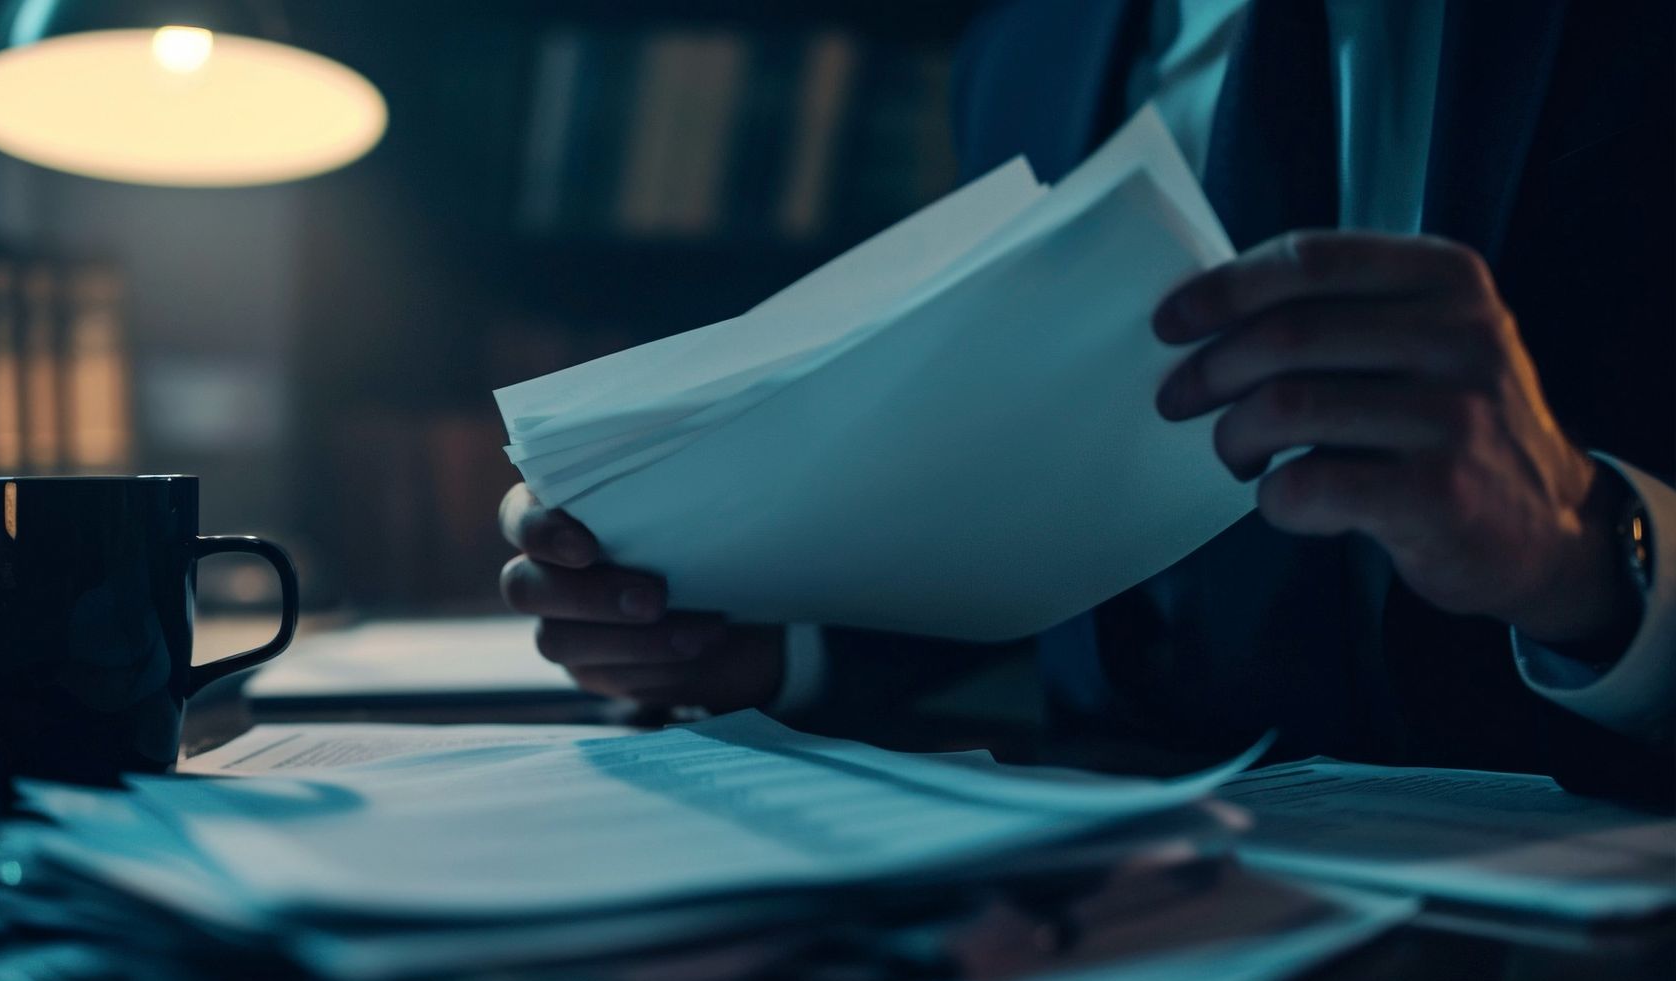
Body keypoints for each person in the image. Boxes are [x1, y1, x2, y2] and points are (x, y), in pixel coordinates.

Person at [499, 0, 1674, 808]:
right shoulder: (1025, 49)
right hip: (1123, 883)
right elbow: (1042, 509)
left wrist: (1589, 550)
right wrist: (766, 631)